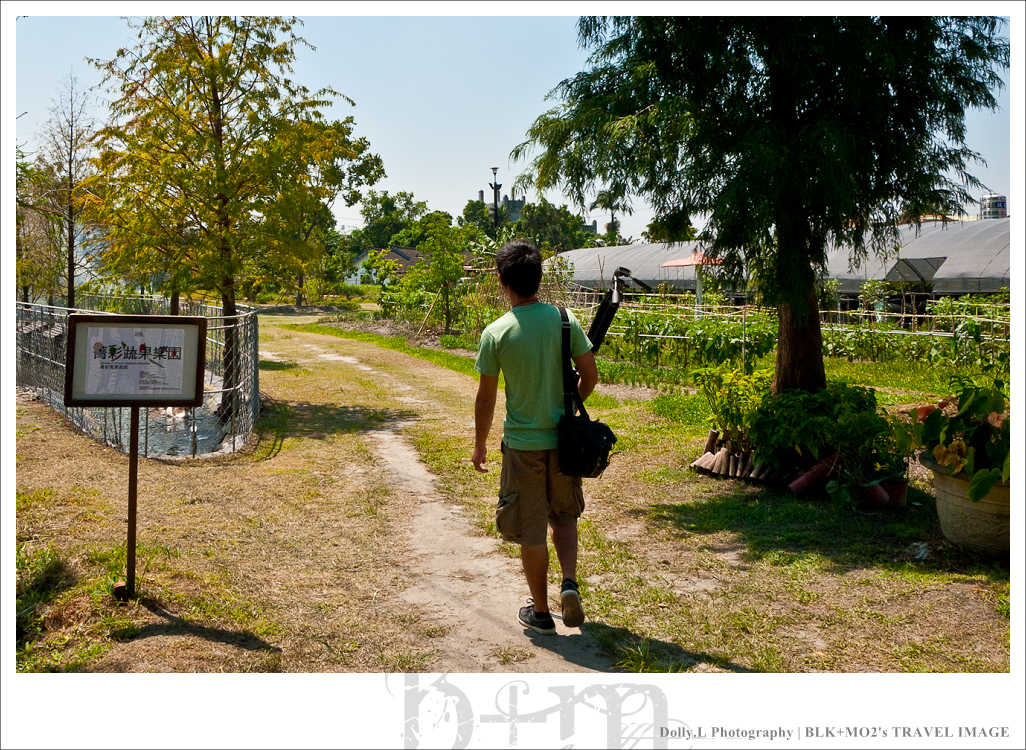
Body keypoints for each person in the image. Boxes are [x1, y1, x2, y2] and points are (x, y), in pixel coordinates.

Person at [472, 239, 598, 635]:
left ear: (501, 281)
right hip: (565, 441)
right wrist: (567, 405)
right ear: (539, 279)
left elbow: (487, 395)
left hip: (522, 447)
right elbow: (590, 376)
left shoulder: (496, 332)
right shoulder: (565, 320)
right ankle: (570, 584)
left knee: (531, 529)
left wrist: (479, 443)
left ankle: (541, 613)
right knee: (564, 516)